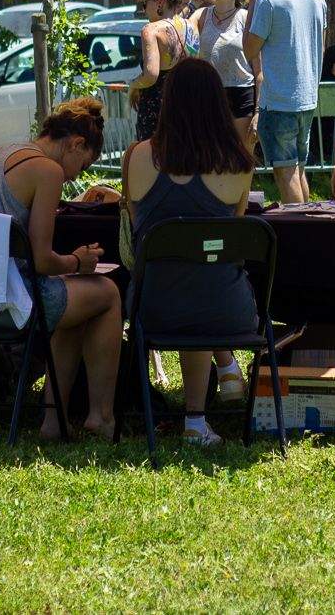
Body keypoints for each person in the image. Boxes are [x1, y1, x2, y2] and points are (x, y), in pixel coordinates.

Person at [0, 97, 121, 440]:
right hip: (3, 302)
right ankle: (100, 417)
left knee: (76, 300)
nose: (75, 178)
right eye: (82, 167)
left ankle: (54, 424)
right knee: (108, 294)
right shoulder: (48, 170)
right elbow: (42, 261)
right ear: (76, 144)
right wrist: (77, 261)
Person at [122, 57, 257, 445]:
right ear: (218, 102)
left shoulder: (136, 157)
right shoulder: (239, 163)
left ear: (167, 101)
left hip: (153, 306)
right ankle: (200, 411)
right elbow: (232, 238)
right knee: (204, 273)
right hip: (226, 309)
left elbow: (136, 227)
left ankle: (204, 406)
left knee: (183, 275)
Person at [244, 0, 328, 205]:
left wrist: (252, 4)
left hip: (279, 100)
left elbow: (249, 50)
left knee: (285, 173)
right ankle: (309, 229)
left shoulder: (268, 0)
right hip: (306, 99)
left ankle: (299, 235)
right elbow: (321, 48)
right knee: (297, 169)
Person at [190, 0, 257, 145]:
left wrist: (258, 113)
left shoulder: (246, 18)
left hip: (240, 94)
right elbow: (178, 34)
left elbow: (259, 71)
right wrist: (195, 2)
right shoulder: (200, 15)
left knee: (241, 159)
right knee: (210, 157)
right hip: (208, 94)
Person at [126, 0, 192, 143]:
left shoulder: (151, 29)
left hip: (157, 108)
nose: (144, 10)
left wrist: (133, 86)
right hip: (187, 103)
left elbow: (150, 75)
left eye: (144, 5)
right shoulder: (190, 27)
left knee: (153, 163)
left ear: (160, 2)